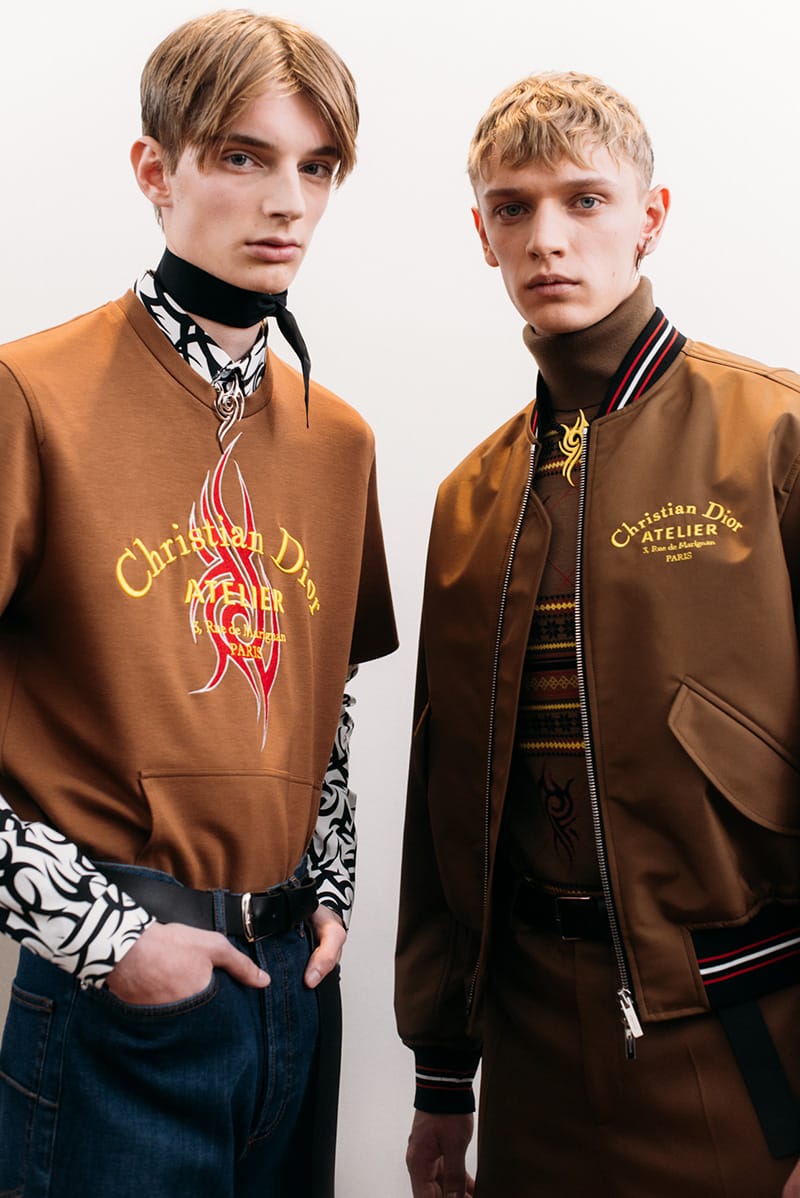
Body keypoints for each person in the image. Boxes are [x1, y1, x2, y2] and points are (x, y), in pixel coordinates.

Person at [0, 10, 396, 1197]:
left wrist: (330, 890)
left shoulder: (337, 440)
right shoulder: (29, 394)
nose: (287, 202)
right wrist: (104, 938)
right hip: (119, 1002)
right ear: (154, 168)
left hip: (291, 995)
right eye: (242, 156)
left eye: (315, 168)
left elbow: (323, 711)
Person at [395, 70, 800, 1197]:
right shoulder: (470, 497)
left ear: (649, 216)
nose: (547, 238)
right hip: (531, 1055)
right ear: (482, 234)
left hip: (739, 1030)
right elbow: (443, 795)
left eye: (584, 199)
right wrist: (441, 1071)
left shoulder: (773, 434)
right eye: (513, 207)